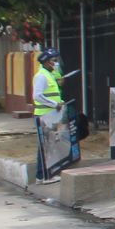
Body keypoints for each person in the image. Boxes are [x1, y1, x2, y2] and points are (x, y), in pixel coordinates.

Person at [32, 48, 65, 185]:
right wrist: (54, 104)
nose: (55, 63)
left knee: (48, 145)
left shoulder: (48, 75)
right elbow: (37, 95)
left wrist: (59, 102)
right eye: (53, 61)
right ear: (46, 62)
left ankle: (45, 175)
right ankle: (42, 175)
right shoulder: (41, 76)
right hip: (44, 115)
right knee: (45, 146)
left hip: (50, 115)